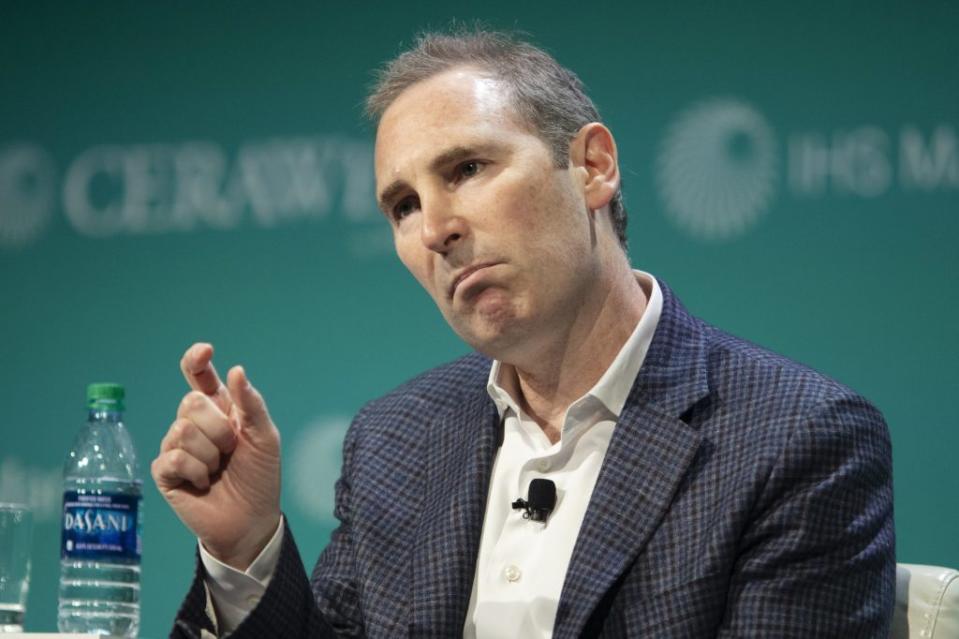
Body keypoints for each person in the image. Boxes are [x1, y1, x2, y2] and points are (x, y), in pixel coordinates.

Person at [152, 29, 895, 639]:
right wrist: (243, 548)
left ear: (592, 166)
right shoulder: (395, 441)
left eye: (468, 167)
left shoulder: (796, 438)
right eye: (403, 205)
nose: (436, 228)